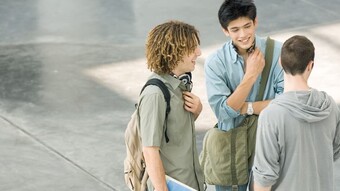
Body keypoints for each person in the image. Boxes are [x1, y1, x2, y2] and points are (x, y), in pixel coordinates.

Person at [204, 0, 284, 190]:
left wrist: (246, 107)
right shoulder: (215, 62)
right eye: (235, 29)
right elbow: (223, 113)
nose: (243, 35)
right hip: (231, 147)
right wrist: (251, 75)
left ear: (255, 22)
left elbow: (287, 104)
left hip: (268, 142)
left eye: (247, 26)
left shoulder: (278, 52)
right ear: (225, 31)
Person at [252, 35, 340, 191]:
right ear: (310, 65)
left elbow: (264, 179)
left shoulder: (271, 115)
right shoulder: (330, 107)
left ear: (280, 62)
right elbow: (333, 151)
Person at [139, 20, 205, 191]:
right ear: (174, 52)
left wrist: (196, 111)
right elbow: (150, 150)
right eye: (192, 48)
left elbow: (174, 132)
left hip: (191, 183)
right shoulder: (155, 95)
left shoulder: (179, 85)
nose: (198, 52)